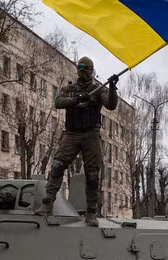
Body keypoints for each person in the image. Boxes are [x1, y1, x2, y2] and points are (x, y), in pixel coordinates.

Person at [34, 56, 119, 226]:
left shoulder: (98, 89)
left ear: (91, 70)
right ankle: (48, 203)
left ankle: (91, 213)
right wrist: (75, 100)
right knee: (57, 165)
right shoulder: (70, 89)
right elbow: (57, 102)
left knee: (93, 174)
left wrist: (111, 88)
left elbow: (110, 104)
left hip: (91, 135)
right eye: (79, 67)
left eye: (85, 67)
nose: (82, 70)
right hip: (72, 134)